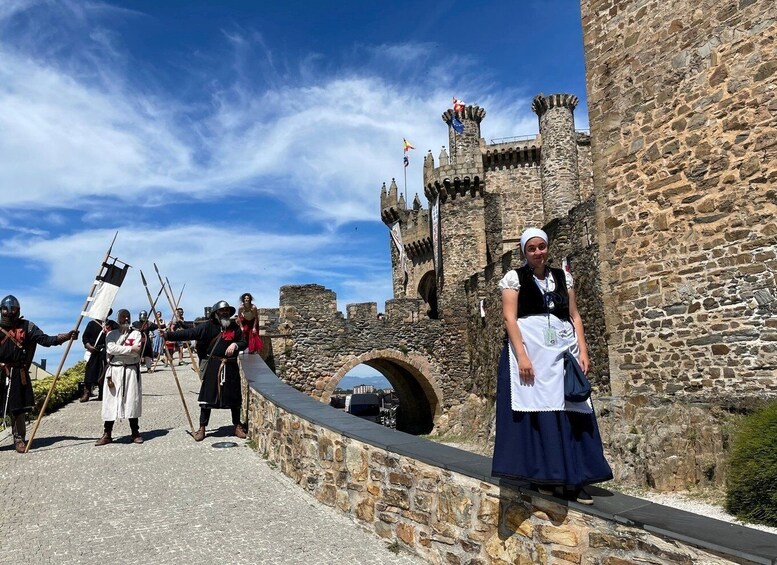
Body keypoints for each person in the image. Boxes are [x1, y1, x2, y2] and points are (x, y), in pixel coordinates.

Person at [491, 228, 612, 504]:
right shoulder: (514, 279)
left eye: (541, 247)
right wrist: (521, 356)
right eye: (531, 248)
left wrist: (583, 349)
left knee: (571, 410)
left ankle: (576, 479)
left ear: (548, 248)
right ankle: (546, 477)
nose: (537, 252)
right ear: (524, 252)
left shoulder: (562, 277)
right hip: (532, 355)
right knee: (539, 415)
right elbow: (509, 319)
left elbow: (574, 315)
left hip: (563, 354)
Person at [0, 295, 78, 453]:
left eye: (12, 309)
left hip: (17, 372)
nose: (9, 312)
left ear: (18, 310)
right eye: (5, 309)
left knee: (17, 407)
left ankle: (19, 438)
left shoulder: (27, 326)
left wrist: (64, 337)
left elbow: (45, 340)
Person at [165, 300, 247, 441]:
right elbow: (189, 333)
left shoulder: (234, 327)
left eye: (227, 311)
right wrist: (168, 335)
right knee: (207, 398)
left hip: (231, 365)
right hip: (213, 365)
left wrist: (235, 344)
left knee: (234, 397)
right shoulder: (207, 327)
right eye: (222, 311)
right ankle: (202, 427)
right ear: (216, 313)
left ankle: (237, 426)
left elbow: (244, 342)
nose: (225, 313)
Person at [95, 309, 144, 446]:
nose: (126, 319)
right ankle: (107, 433)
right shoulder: (111, 334)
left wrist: (127, 351)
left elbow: (137, 353)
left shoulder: (136, 334)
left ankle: (135, 432)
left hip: (130, 371)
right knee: (110, 402)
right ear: (118, 319)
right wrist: (130, 349)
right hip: (114, 372)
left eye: (128, 317)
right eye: (123, 317)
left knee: (131, 400)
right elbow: (111, 349)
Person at [80, 309, 116, 402]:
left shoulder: (112, 324)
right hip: (94, 351)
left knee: (104, 371)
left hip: (106, 351)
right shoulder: (91, 324)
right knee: (89, 371)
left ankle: (102, 392)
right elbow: (85, 337)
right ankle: (87, 392)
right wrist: (89, 346)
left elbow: (119, 334)